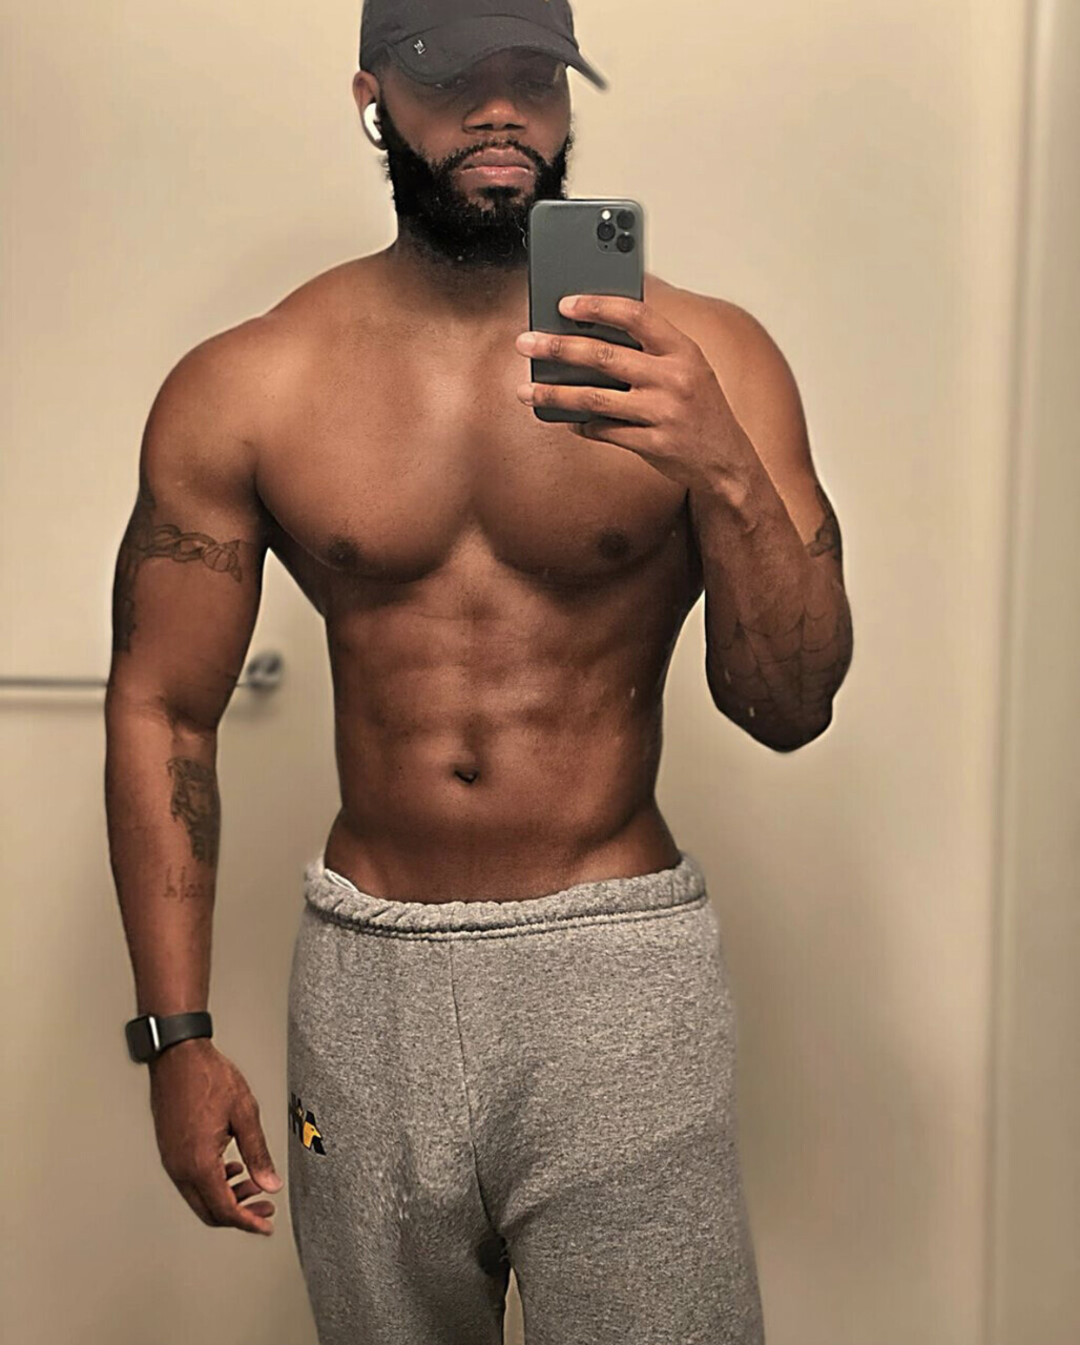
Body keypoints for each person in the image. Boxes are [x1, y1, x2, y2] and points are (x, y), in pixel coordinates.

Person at [104, 1, 853, 1341]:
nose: (502, 111)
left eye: (535, 78)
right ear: (373, 97)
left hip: (616, 971)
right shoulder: (253, 382)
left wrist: (723, 464)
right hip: (367, 986)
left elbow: (790, 706)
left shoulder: (710, 361)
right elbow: (164, 707)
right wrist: (176, 1035)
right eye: (454, 77)